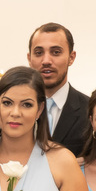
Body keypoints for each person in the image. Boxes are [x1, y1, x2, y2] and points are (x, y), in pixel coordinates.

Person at [27, 23, 88, 156]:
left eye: (56, 52)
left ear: (71, 58)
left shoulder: (90, 110)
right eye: (39, 53)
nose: (46, 61)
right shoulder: (16, 109)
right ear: (29, 59)